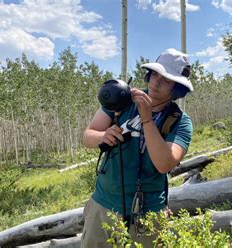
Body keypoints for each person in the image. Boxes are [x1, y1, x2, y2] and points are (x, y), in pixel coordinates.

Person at [81, 48, 194, 247]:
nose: (156, 82)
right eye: (155, 74)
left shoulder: (180, 122)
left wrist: (147, 119)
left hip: (147, 212)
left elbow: (164, 164)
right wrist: (103, 135)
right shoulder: (122, 99)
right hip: (103, 204)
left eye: (166, 79)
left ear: (176, 89)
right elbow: (88, 136)